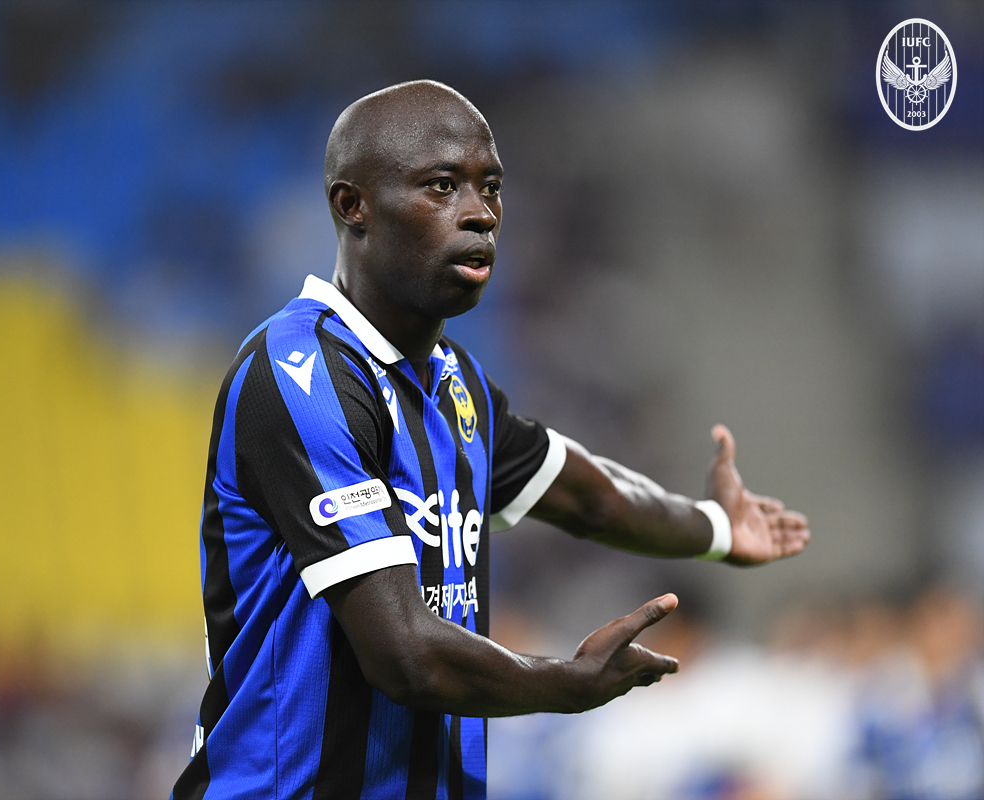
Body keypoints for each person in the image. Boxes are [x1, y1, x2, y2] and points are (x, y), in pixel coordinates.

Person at [172, 80, 810, 800]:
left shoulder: (456, 384)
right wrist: (564, 683)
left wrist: (717, 526)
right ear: (353, 206)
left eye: (492, 187)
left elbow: (589, 496)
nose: (481, 213)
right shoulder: (298, 374)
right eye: (442, 186)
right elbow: (404, 654)